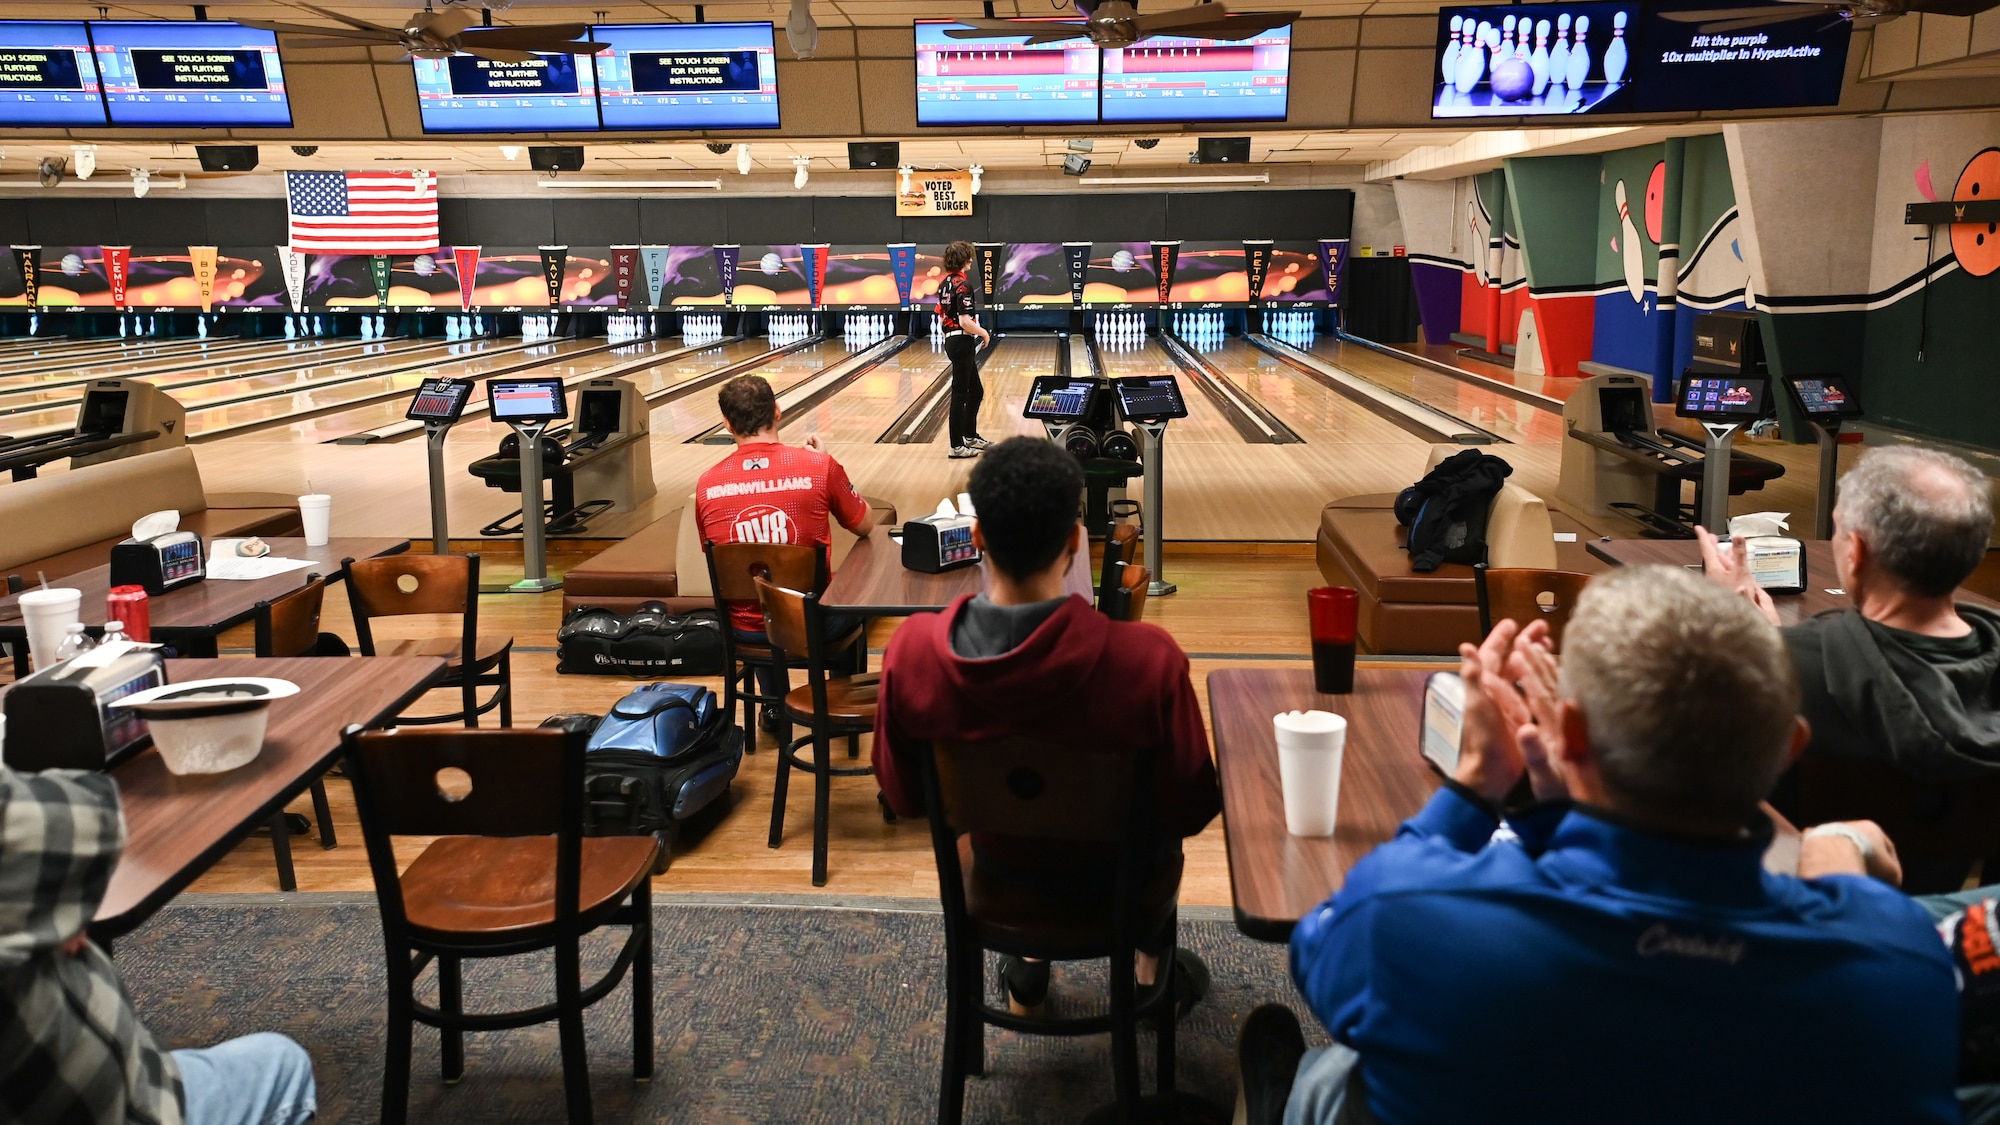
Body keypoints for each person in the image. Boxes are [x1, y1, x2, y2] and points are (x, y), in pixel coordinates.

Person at [1239, 566, 1961, 1125]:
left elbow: (1319, 951)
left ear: (1571, 733)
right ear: (1789, 750)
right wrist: (1839, 851)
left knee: (1335, 1075)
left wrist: (1476, 783)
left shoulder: (1413, 916)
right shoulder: (1902, 962)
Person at [872, 437, 1221, 1012]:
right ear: (1075, 543)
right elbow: (1190, 805)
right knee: (1154, 828)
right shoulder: (1148, 661)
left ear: (977, 538)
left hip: (1000, 878)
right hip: (1118, 887)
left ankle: (1028, 965)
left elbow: (905, 799)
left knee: (1027, 830)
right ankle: (1147, 977)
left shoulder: (912, 655)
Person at [0, 763, 317, 1125]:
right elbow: (87, 814)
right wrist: (66, 886)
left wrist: (58, 898)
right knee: (281, 1064)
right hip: (118, 1109)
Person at [1699, 444, 2000, 781]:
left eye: (1838, 529)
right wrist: (1776, 641)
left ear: (1856, 551)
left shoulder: (1777, 672)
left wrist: (1756, 643)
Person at [695, 373, 875, 727]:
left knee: (763, 596)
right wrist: (832, 465)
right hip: (814, 624)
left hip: (742, 629)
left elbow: (719, 559)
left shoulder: (707, 484)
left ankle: (775, 705)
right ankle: (836, 705)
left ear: (726, 424)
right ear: (777, 411)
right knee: (855, 598)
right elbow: (866, 525)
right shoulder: (819, 467)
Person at [935, 240, 993, 460]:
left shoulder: (945, 284)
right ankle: (956, 446)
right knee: (960, 394)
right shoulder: (963, 285)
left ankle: (969, 436)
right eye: (969, 256)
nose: (971, 260)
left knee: (976, 391)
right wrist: (984, 333)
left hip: (952, 340)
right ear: (963, 259)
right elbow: (965, 321)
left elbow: (943, 316)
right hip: (962, 341)